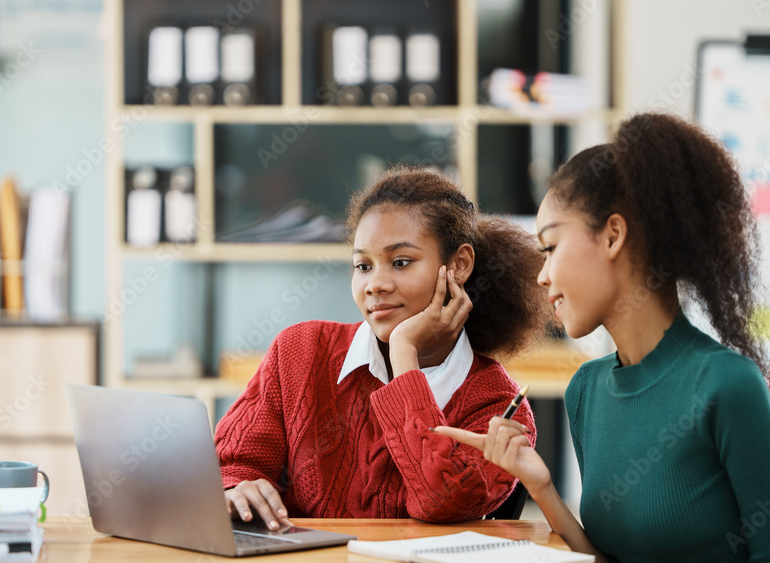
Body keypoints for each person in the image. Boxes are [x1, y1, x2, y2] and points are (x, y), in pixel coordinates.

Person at [436, 113, 770, 563]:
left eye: (551, 247)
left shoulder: (724, 385)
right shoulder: (587, 390)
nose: (541, 274)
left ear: (613, 235)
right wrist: (542, 488)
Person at [214, 167, 550, 528]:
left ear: (459, 265)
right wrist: (235, 488)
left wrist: (404, 352)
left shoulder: (499, 407)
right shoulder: (300, 351)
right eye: (363, 265)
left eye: (401, 262)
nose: (375, 284)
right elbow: (229, 464)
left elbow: (440, 501)